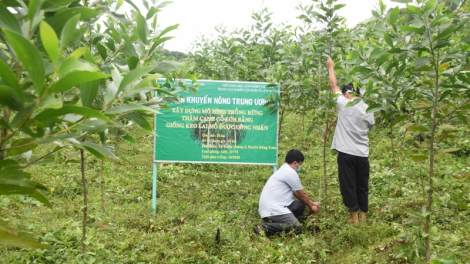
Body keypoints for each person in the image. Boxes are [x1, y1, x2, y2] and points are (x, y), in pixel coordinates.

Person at [326, 56, 375, 224]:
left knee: (348, 185)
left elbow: (334, 86)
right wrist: (342, 124)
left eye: (344, 94)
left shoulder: (344, 104)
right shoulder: (369, 109)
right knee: (362, 184)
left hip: (346, 154)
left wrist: (330, 67)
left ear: (347, 94)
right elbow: (369, 127)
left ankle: (354, 219)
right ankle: (363, 216)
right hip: (362, 154)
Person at [254, 149, 321, 236]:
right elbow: (302, 194)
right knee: (296, 227)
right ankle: (263, 227)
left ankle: (284, 221)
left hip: (272, 205)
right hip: (272, 209)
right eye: (300, 164)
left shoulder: (283, 170)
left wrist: (312, 204)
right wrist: (312, 208)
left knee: (301, 205)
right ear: (295, 163)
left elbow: (298, 195)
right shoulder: (289, 173)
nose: (299, 167)